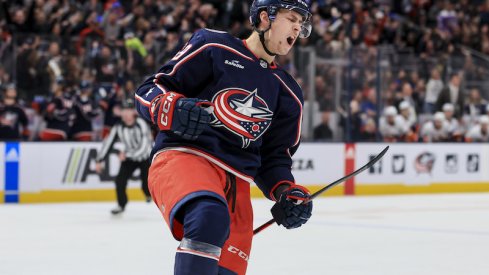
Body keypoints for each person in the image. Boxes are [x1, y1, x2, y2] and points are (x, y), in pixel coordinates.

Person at [134, 1, 314, 274]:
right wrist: (168, 106)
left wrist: (286, 192)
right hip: (185, 157)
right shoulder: (214, 47)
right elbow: (150, 89)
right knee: (209, 215)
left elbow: (274, 157)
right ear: (265, 18)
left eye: (301, 22)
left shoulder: (288, 93)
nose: (297, 27)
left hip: (237, 185)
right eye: (291, 18)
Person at [95, 98, 153, 215]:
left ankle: (147, 194)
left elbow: (144, 147)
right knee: (120, 181)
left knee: (146, 184)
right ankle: (121, 204)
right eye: (124, 110)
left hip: (144, 158)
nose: (126, 113)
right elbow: (108, 143)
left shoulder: (141, 124)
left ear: (133, 112)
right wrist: (99, 160)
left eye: (129, 110)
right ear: (121, 112)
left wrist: (126, 154)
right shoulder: (118, 127)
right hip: (129, 159)